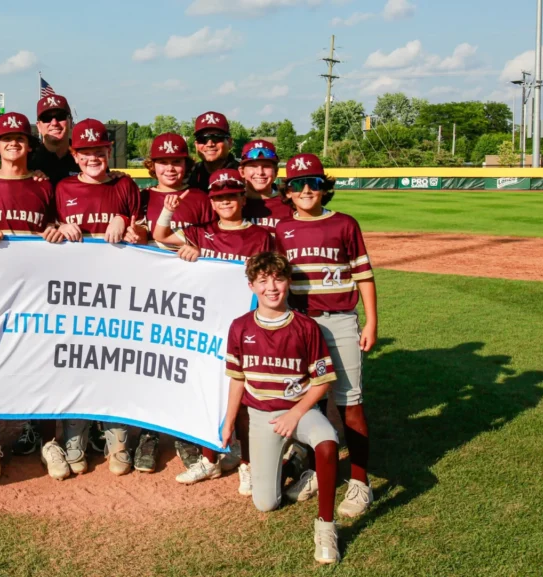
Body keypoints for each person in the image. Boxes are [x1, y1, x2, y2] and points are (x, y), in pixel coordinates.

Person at [152, 168, 275, 487]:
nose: (226, 201)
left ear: (241, 198)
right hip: (208, 326)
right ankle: (209, 459)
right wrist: (169, 209)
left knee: (245, 399)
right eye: (219, 197)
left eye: (232, 195)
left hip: (247, 328)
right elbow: (161, 236)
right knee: (209, 391)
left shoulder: (261, 236)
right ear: (211, 200)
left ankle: (247, 462)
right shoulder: (200, 231)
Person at [221, 252, 342, 564]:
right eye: (263, 281)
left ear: (288, 282)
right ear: (251, 286)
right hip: (262, 416)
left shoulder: (306, 327)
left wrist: (296, 413)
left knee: (328, 443)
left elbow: (322, 382)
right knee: (266, 503)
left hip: (298, 411)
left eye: (278, 279)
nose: (271, 287)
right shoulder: (239, 327)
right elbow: (237, 380)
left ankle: (326, 527)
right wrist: (229, 421)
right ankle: (295, 463)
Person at [275, 153, 377, 519]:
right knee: (311, 403)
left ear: (325, 187)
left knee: (350, 402)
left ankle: (361, 481)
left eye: (314, 183)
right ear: (287, 192)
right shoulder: (281, 229)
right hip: (300, 323)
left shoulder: (345, 224)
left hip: (339, 320)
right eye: (299, 184)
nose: (307, 189)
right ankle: (319, 472)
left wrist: (370, 322)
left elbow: (363, 276)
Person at [0, 112, 67, 479]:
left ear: (30, 145)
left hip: (36, 290)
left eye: (20, 139)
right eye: (6, 139)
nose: (13, 144)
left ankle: (47, 440)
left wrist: (56, 231)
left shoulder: (45, 185)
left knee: (44, 361)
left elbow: (55, 225)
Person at [53, 118, 145, 477]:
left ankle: (116, 435)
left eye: (100, 150)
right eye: (86, 152)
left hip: (119, 293)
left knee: (115, 362)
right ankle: (74, 434)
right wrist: (59, 227)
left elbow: (143, 231)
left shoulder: (125, 185)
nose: (93, 157)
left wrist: (129, 223)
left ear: (109, 151)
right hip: (75, 293)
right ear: (75, 155)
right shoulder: (62, 188)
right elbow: (46, 229)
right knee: (76, 363)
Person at [132, 132, 214, 474]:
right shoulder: (140, 196)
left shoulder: (201, 197)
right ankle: (149, 435)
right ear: (152, 165)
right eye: (163, 161)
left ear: (186, 164)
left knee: (185, 364)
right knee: (150, 365)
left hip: (192, 296)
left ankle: (184, 434)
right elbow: (133, 234)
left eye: (177, 161)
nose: (170, 167)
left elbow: (214, 238)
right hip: (149, 295)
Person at [239, 140, 293, 236]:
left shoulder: (290, 204)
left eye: (266, 166)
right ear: (242, 172)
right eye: (253, 166)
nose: (260, 172)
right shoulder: (233, 203)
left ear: (276, 172)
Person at [29, 94, 80, 184]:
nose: (54, 123)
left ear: (70, 122)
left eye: (60, 116)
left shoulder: (85, 156)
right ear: (38, 126)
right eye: (46, 118)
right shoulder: (28, 160)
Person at [188, 111, 241, 191]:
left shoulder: (243, 174)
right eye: (202, 139)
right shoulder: (189, 175)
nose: (210, 144)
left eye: (216, 138)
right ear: (196, 145)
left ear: (230, 143)